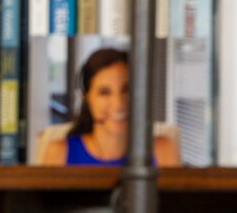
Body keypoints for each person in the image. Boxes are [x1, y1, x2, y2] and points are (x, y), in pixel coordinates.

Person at [32, 47, 179, 167]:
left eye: (126, 89)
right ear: (87, 97)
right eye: (104, 92)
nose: (118, 103)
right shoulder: (59, 153)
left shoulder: (162, 151)